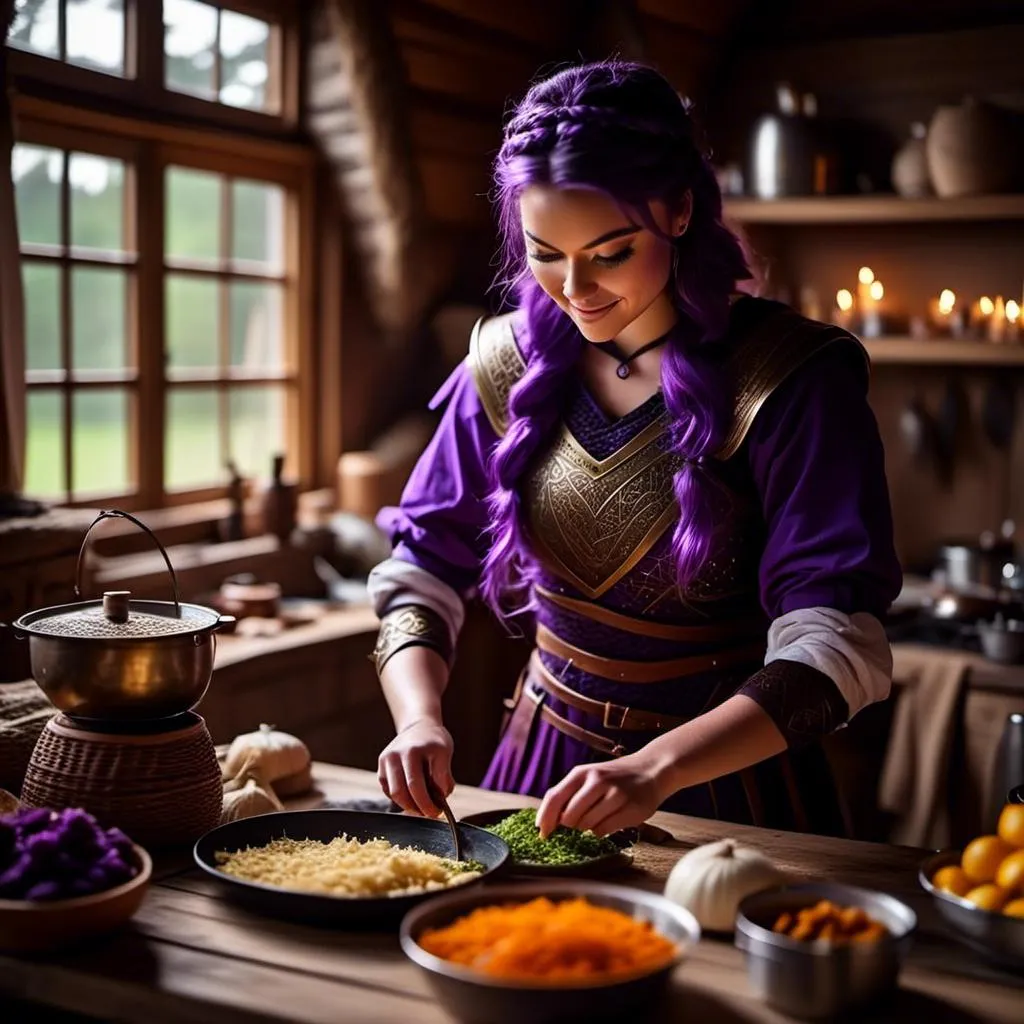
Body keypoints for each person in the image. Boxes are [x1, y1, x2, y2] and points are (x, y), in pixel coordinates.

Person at [367, 60, 901, 840]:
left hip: (724, 786)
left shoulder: (792, 379)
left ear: (680, 210)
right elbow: (422, 565)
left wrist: (658, 769)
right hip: (537, 765)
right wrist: (418, 719)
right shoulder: (501, 365)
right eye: (546, 252)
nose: (574, 287)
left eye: (610, 252)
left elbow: (837, 644)